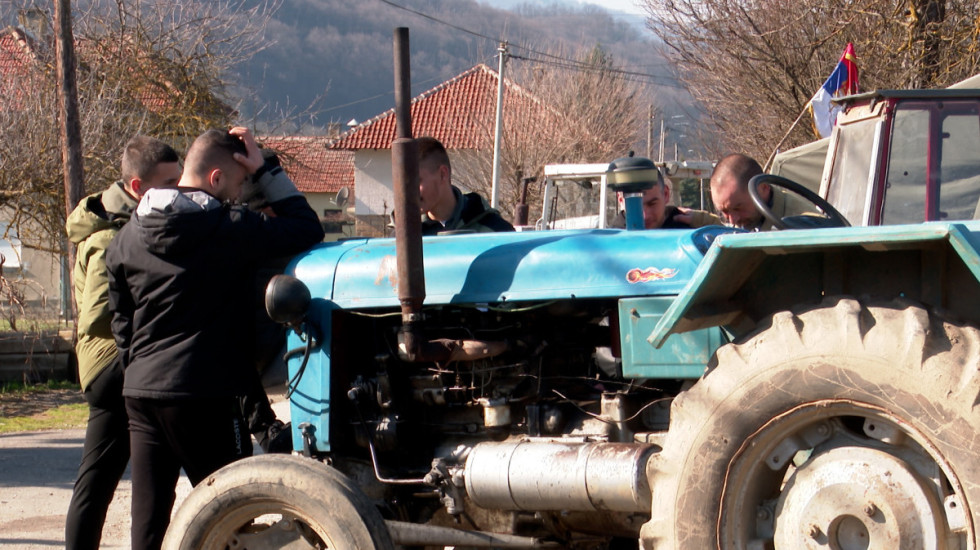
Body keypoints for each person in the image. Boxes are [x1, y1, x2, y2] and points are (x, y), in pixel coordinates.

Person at [106, 127, 324, 550]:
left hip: (143, 393)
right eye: (240, 182)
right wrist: (266, 170)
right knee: (231, 515)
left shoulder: (127, 236)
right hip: (204, 392)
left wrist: (136, 370)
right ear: (217, 178)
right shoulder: (228, 227)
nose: (242, 192)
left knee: (147, 522)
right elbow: (306, 228)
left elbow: (122, 323)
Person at [64, 136, 180, 550]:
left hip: (115, 360)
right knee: (98, 482)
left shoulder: (126, 222)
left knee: (102, 477)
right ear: (137, 188)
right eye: (169, 182)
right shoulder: (110, 236)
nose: (177, 190)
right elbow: (98, 316)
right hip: (107, 362)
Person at [417, 136, 515, 235]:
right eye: (404, 185)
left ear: (443, 174)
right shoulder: (406, 235)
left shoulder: (496, 231)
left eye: (417, 181)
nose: (409, 191)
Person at [709, 153, 805, 231]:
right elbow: (724, 227)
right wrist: (695, 217)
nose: (733, 220)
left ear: (764, 188)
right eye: (724, 212)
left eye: (738, 208)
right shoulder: (749, 218)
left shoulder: (803, 225)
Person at [611, 167, 721, 229]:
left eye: (652, 204)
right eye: (635, 207)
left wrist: (704, 221)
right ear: (621, 200)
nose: (645, 216)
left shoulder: (688, 233)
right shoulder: (608, 245)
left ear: (666, 194)